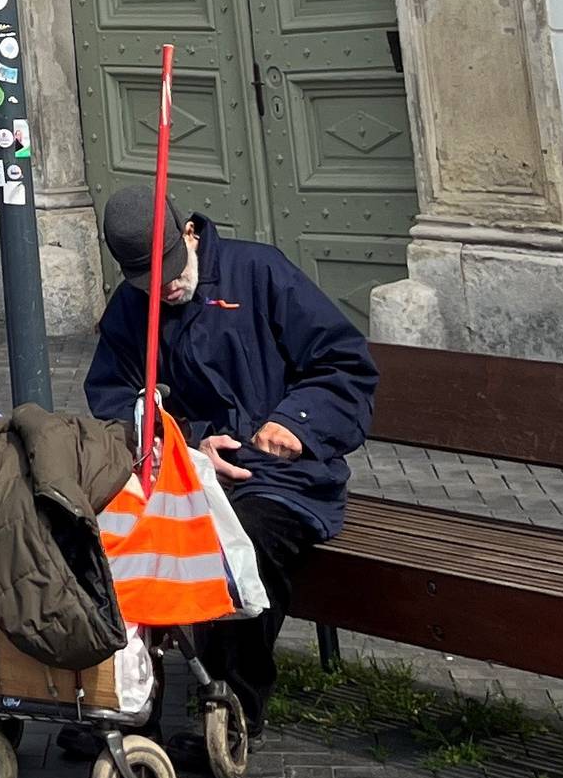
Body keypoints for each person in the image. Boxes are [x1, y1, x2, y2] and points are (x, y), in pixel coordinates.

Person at [84, 186, 378, 748]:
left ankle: (232, 702)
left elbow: (345, 365)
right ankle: (124, 696)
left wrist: (297, 422)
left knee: (245, 545)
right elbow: (114, 398)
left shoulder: (260, 273)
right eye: (149, 280)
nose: (168, 286)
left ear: (190, 234)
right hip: (181, 473)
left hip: (281, 477)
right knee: (107, 539)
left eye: (172, 267)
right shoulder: (131, 308)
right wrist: (189, 443)